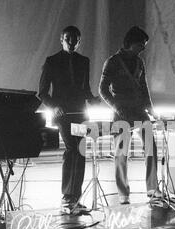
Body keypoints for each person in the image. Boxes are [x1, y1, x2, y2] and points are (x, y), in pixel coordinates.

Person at [39, 26, 98, 214]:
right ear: (61, 39)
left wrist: (94, 100)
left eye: (75, 39)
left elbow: (85, 89)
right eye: (68, 39)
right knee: (72, 150)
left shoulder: (84, 61)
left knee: (79, 152)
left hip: (80, 115)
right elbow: (42, 93)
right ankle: (67, 198)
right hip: (63, 116)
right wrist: (54, 107)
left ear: (79, 41)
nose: (71, 43)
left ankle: (75, 198)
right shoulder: (52, 61)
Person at [99, 26, 161, 205]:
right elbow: (102, 90)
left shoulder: (140, 62)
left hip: (140, 111)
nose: (143, 47)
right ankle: (123, 193)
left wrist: (150, 108)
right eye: (141, 44)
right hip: (121, 113)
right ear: (131, 43)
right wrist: (117, 107)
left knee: (152, 147)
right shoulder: (112, 62)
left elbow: (144, 87)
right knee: (121, 154)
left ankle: (152, 188)